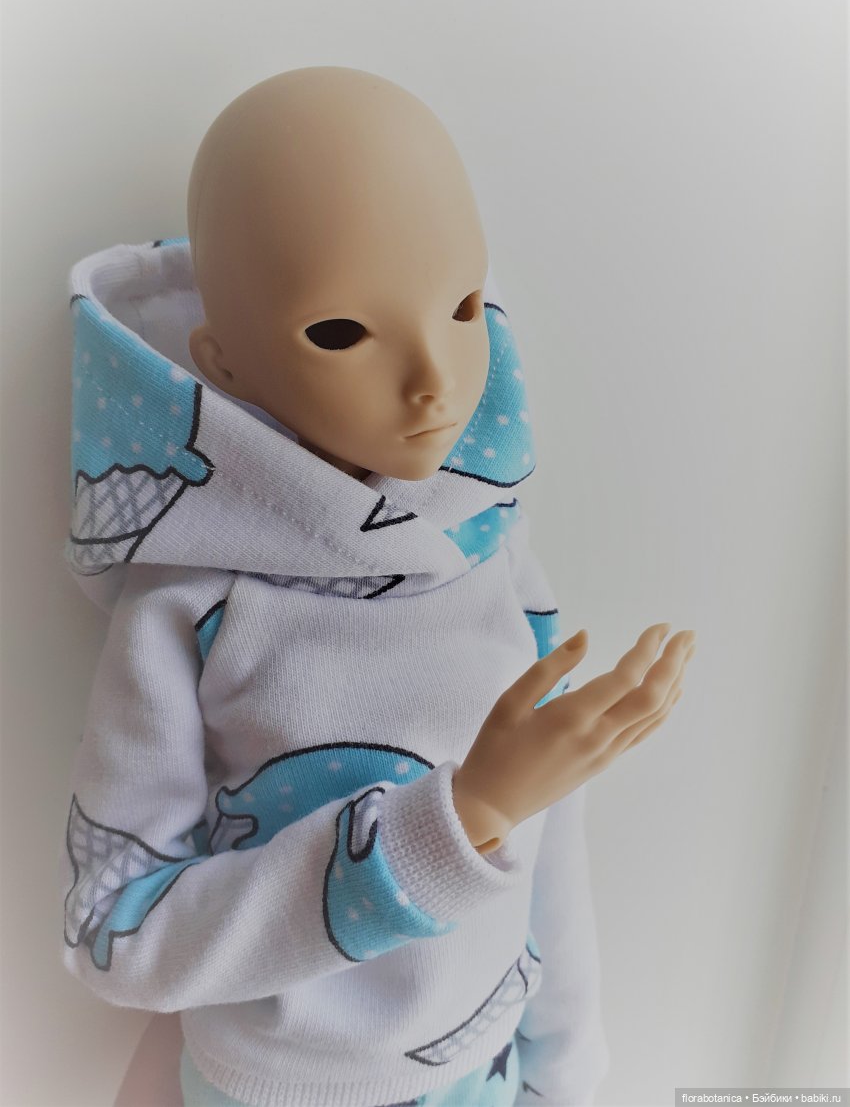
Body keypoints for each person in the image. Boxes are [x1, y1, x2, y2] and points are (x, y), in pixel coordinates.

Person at [60, 66, 695, 1107]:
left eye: (461, 305)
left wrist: (569, 1070)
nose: (434, 380)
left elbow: (549, 848)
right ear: (224, 362)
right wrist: (456, 821)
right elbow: (115, 931)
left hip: (486, 1070)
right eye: (341, 332)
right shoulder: (187, 614)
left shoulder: (491, 553)